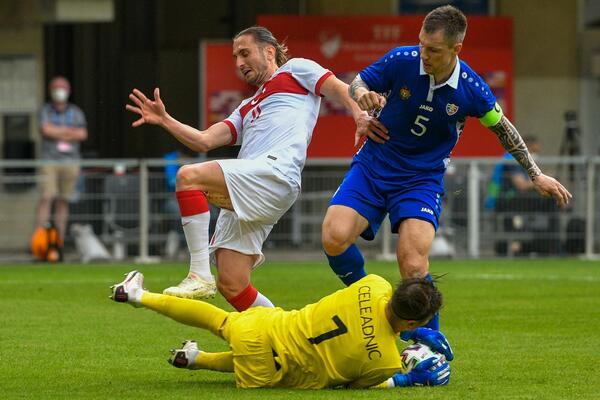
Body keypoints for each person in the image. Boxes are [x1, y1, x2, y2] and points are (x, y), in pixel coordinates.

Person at [321, 5, 572, 330]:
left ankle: (430, 342)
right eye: (422, 44)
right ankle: (368, 300)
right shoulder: (402, 59)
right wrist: (363, 95)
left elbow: (503, 129)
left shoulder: (472, 88)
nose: (423, 54)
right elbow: (358, 82)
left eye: (433, 50)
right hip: (374, 166)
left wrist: (535, 174)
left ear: (457, 49)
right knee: (334, 236)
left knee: (413, 266)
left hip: (420, 179)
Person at [126, 26, 380, 310]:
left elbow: (340, 89)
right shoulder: (246, 107)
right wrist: (165, 120)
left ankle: (199, 274)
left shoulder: (296, 70)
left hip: (275, 173)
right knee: (232, 283)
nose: (239, 62)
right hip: (254, 179)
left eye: (245, 53)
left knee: (188, 176)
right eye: (236, 56)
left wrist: (359, 114)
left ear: (269, 52)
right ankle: (281, 334)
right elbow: (204, 140)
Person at [110, 270, 452, 389]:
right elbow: (355, 386)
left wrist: (407, 331)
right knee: (262, 359)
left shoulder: (374, 284)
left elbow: (376, 314)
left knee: (218, 320)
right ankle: (196, 359)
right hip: (272, 375)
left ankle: (138, 295)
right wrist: (409, 378)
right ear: (411, 323)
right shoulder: (387, 361)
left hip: (265, 331)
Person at [35, 76, 88, 243]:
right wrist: (69, 132)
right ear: (50, 91)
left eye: (62, 87)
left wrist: (57, 131)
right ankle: (40, 241)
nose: (59, 91)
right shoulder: (45, 111)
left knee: (63, 200)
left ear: (69, 91)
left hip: (70, 161)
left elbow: (82, 134)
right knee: (46, 197)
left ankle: (59, 241)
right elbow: (45, 130)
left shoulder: (76, 112)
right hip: (49, 161)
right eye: (56, 87)